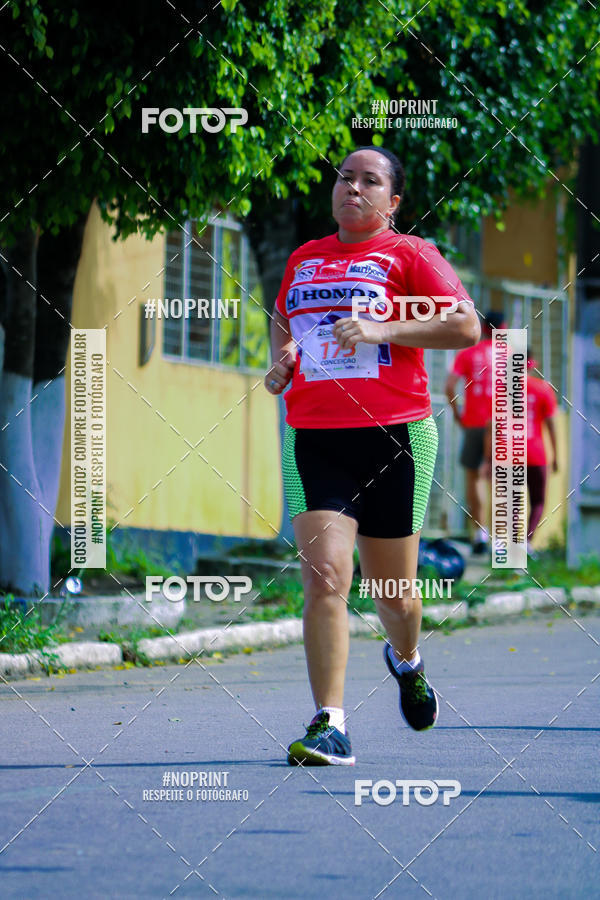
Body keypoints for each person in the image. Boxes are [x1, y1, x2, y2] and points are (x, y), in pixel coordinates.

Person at [264, 145, 480, 766]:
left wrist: (382, 330)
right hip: (315, 436)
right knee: (326, 574)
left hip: (395, 437)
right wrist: (283, 360)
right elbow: (284, 318)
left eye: (369, 181)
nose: (353, 188)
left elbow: (465, 325)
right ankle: (330, 723)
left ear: (393, 201)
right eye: (345, 177)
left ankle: (407, 661)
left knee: (394, 592)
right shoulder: (304, 259)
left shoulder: (410, 255)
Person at [480, 349, 559, 556]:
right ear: (533, 365)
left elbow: (491, 428)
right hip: (535, 453)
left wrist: (488, 459)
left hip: (507, 454)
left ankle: (511, 544)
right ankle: (526, 542)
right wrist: (556, 455)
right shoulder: (543, 389)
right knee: (538, 501)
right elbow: (552, 426)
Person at [445, 310, 506, 554]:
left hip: (474, 422)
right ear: (502, 327)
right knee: (501, 479)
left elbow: (449, 386)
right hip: (502, 423)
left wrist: (458, 413)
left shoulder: (468, 354)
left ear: (482, 326)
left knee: (475, 477)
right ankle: (501, 540)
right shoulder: (511, 355)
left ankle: (481, 533)